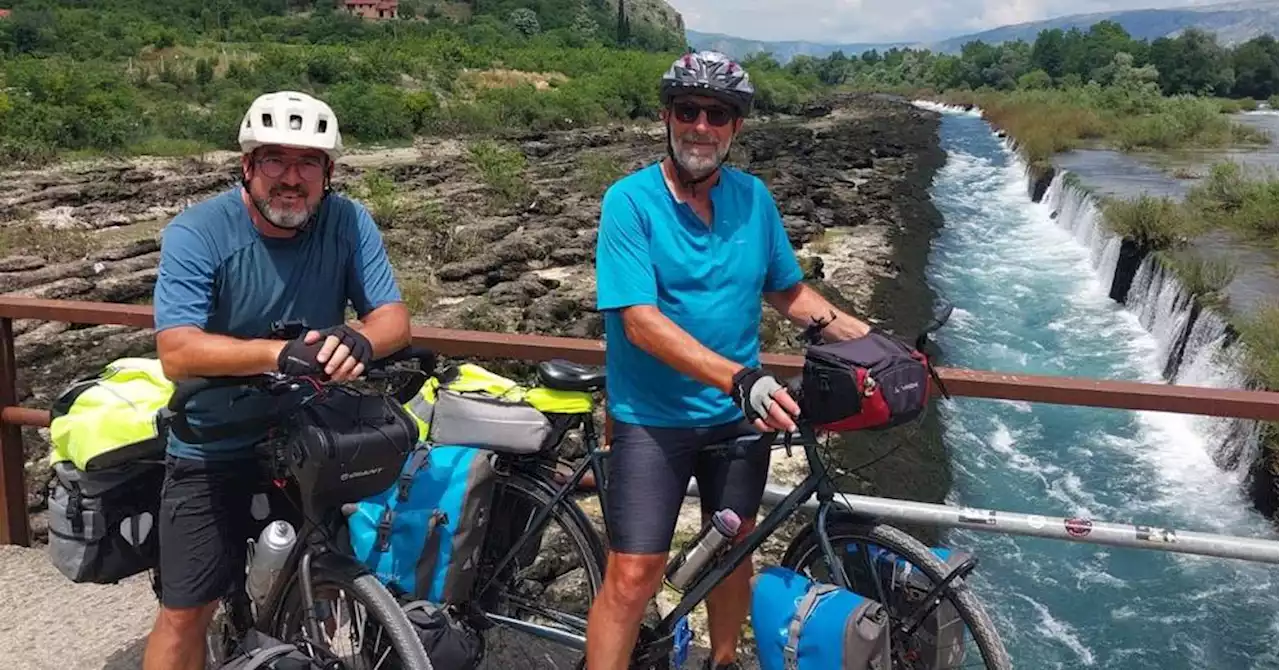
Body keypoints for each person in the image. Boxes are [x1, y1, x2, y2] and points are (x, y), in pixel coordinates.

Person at [588, 51, 877, 670]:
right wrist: (739, 378)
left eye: (716, 114)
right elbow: (639, 321)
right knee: (634, 575)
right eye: (688, 110)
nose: (701, 125)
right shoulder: (629, 202)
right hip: (651, 420)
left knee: (733, 554)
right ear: (667, 116)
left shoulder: (754, 199)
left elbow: (788, 291)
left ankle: (723, 663)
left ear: (735, 127)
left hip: (735, 420)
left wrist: (872, 345)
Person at [141, 90, 411, 670]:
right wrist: (277, 354)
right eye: (275, 161)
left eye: (308, 162)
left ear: (327, 172)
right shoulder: (199, 232)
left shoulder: (347, 221)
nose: (291, 178)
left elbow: (393, 317)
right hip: (212, 440)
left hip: (308, 437)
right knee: (187, 609)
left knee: (328, 591)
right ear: (247, 166)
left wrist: (362, 338)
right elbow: (177, 351)